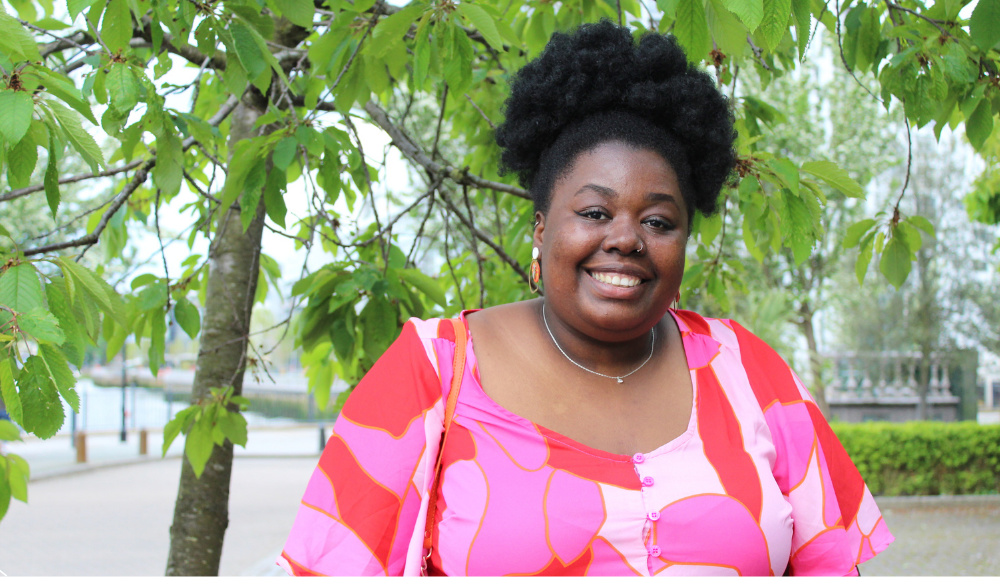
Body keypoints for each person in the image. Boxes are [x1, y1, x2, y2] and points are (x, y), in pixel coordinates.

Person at [278, 20, 893, 576]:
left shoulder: (751, 373)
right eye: (596, 211)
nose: (626, 238)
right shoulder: (434, 369)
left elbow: (830, 567)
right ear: (542, 230)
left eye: (658, 221)